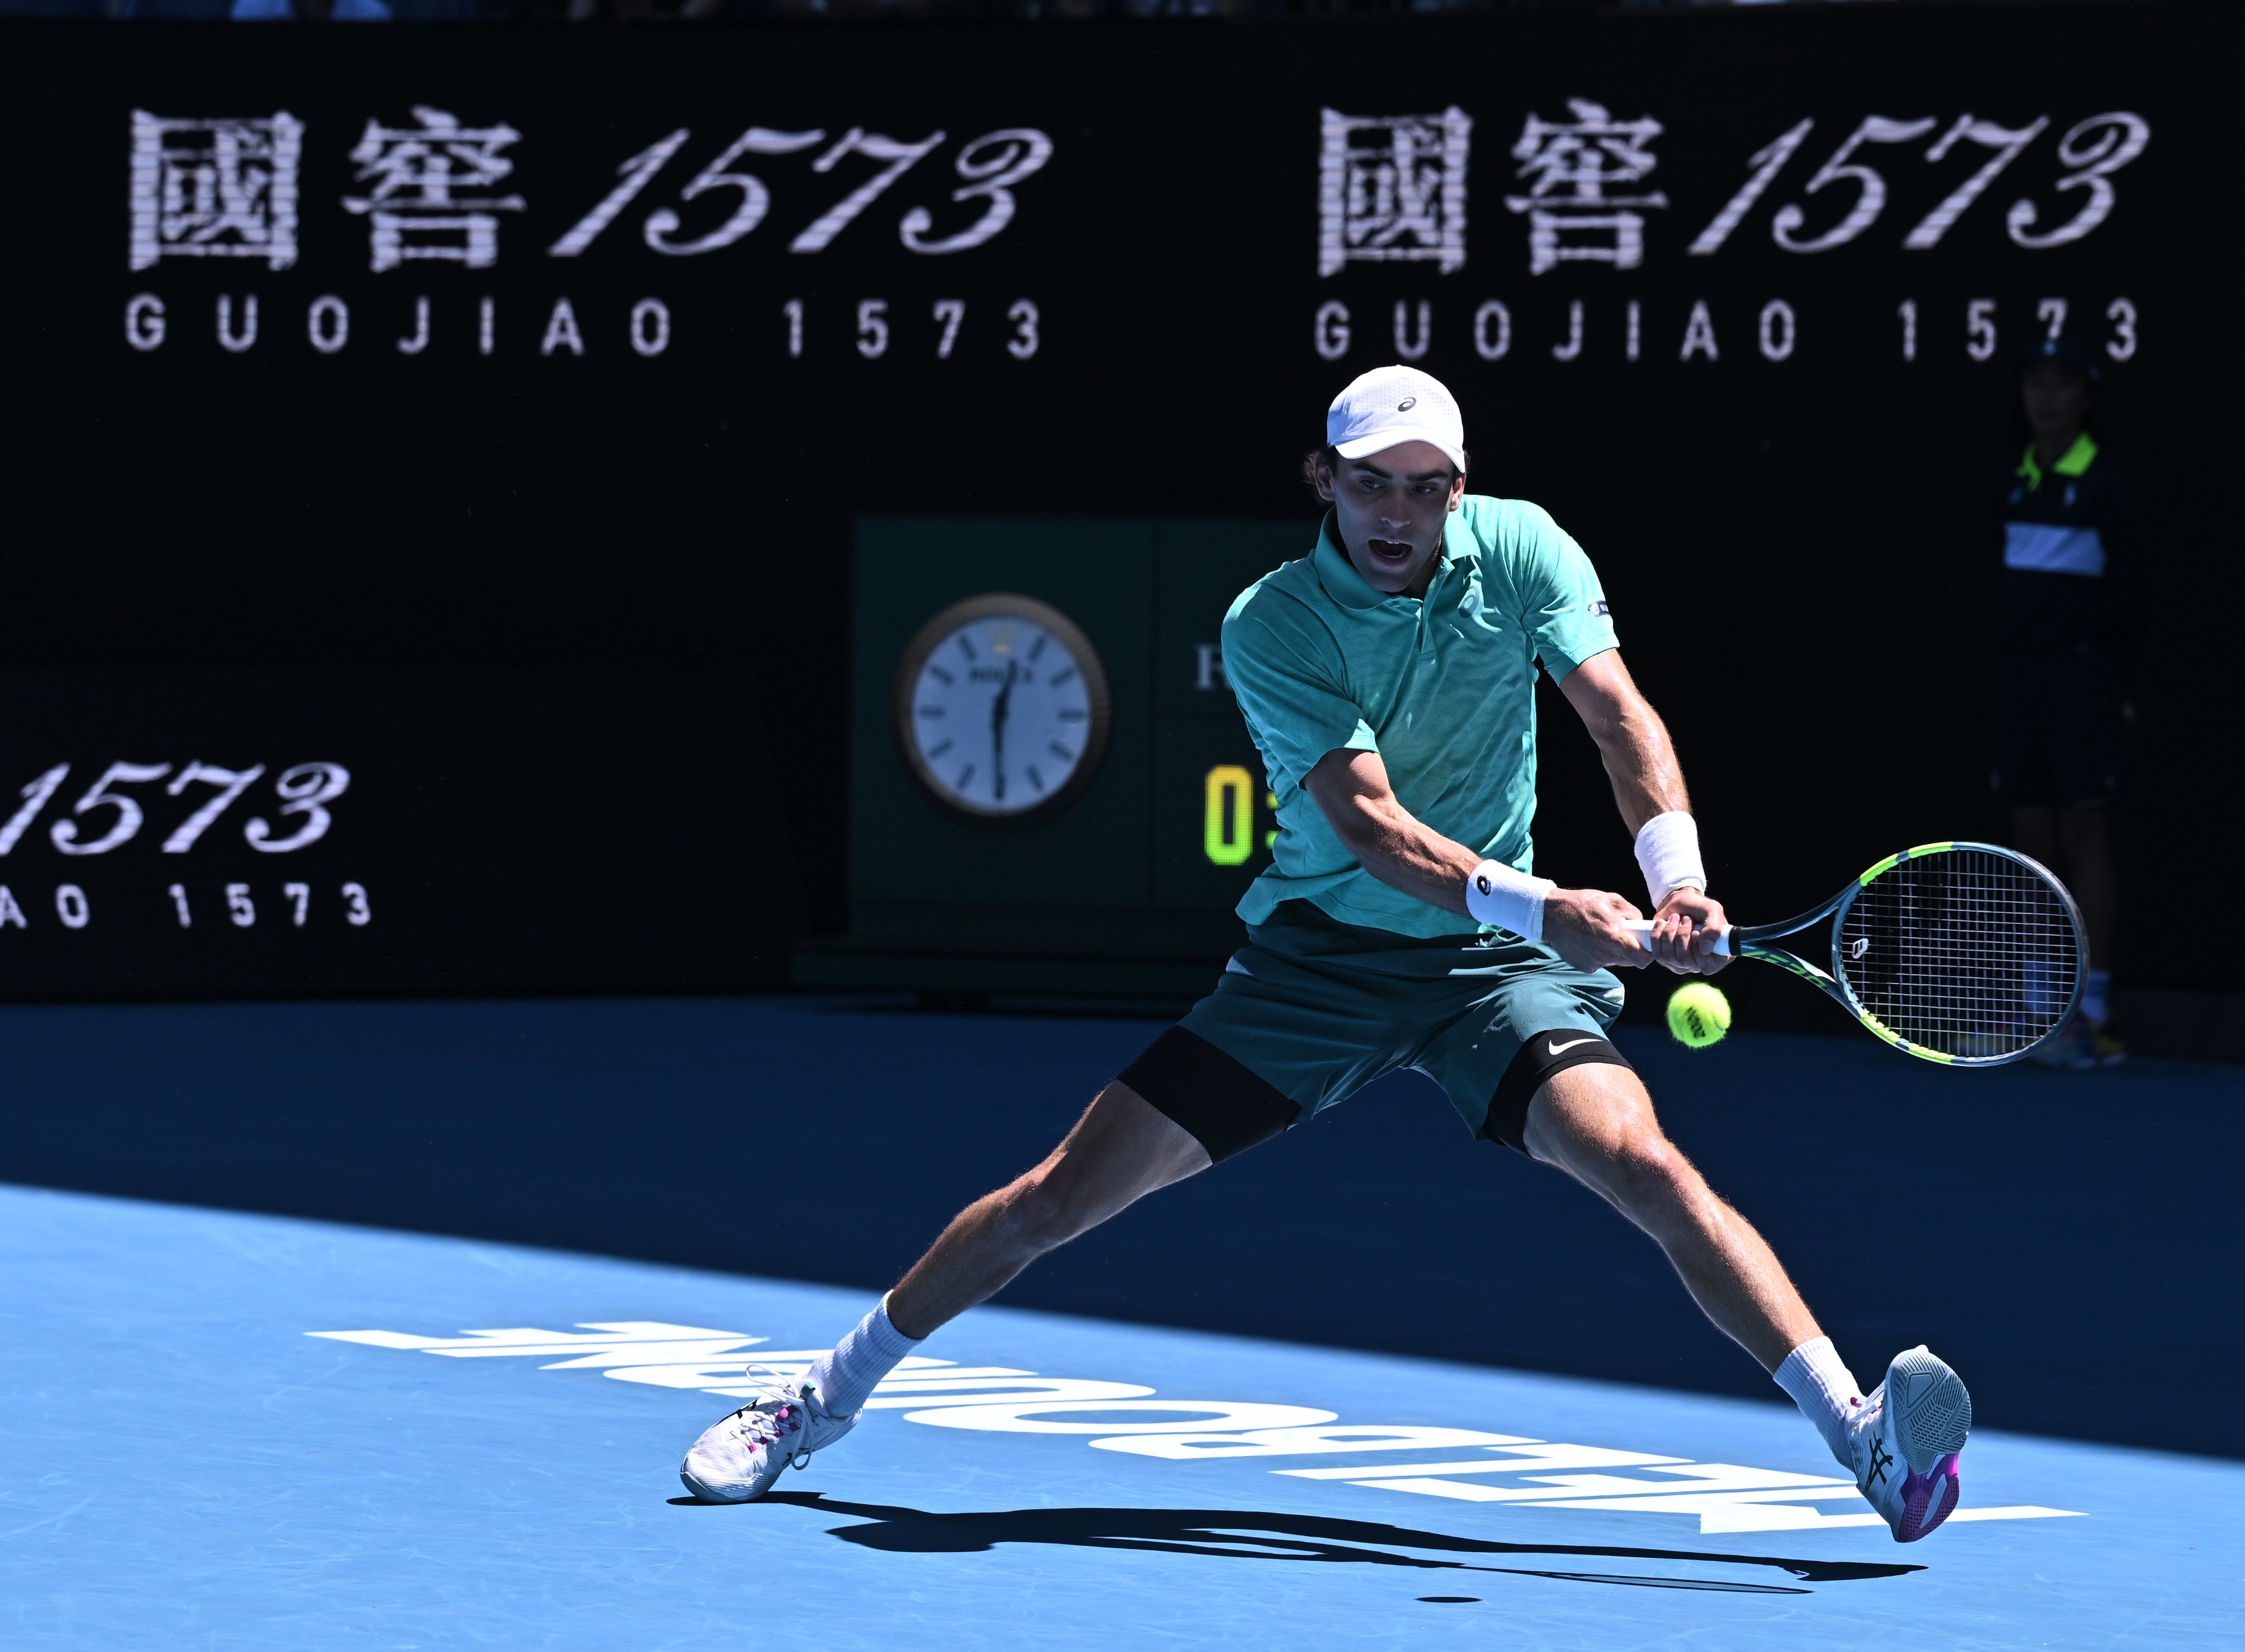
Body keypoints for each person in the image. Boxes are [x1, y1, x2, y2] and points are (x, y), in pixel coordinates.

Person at [680, 366, 1974, 1543]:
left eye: (1425, 487)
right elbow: (1371, 829)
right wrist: (1549, 908)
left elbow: (1617, 717)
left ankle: (1861, 1437)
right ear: (1324, 480)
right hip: (1322, 964)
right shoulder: (1275, 621)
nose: (1396, 513)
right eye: (1369, 484)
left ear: (1459, 488)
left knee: (1645, 1162)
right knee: (1055, 1201)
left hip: (1490, 976)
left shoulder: (1522, 547)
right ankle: (818, 1398)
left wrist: (1674, 880)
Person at [1994, 337, 2133, 1067]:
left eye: (2060, 384)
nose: (2044, 398)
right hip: (2022, 682)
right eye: (2035, 383)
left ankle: (2093, 1015)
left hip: (2082, 683)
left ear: (2085, 397)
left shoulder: (2106, 484)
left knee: (2083, 839)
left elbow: (2134, 597)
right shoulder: (2014, 480)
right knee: (2029, 843)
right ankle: (2038, 1011)